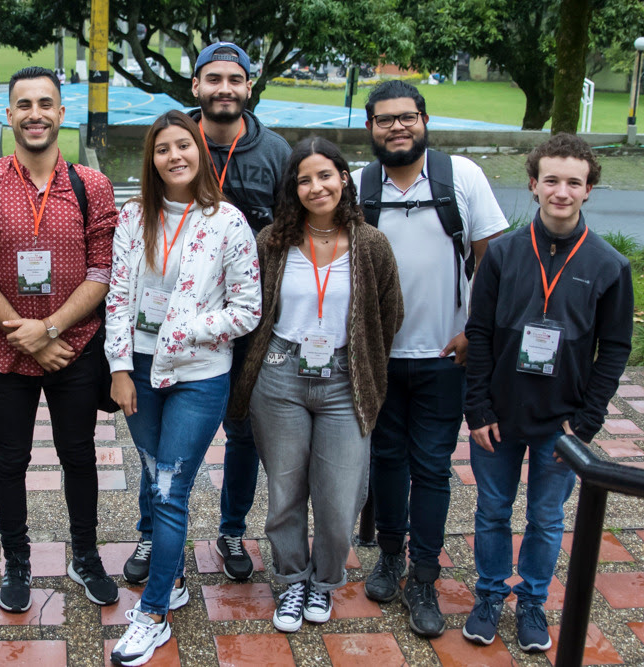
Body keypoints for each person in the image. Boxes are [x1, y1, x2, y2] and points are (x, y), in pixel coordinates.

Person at [123, 41, 290, 586]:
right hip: (163, 335)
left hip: (244, 326)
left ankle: (231, 530)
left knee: (242, 436)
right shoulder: (176, 145)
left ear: (248, 87)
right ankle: (154, 536)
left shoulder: (276, 154)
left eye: (235, 79)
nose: (225, 88)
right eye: (213, 79)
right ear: (195, 87)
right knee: (160, 457)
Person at [0, 66, 119, 613]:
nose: (35, 115)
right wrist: (23, 336)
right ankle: (17, 561)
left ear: (61, 113)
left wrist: (48, 330)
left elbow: (103, 269)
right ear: (8, 115)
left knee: (79, 455)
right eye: (23, 105)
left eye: (45, 103)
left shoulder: (90, 185)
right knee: (9, 459)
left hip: (74, 348)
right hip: (6, 353)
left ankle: (85, 555)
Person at [462, 134, 632, 652]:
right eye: (551, 180)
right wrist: (478, 408)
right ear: (534, 185)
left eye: (573, 182)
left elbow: (616, 348)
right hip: (499, 415)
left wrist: (585, 423)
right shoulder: (505, 254)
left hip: (562, 423)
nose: (562, 191)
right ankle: (490, 593)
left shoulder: (609, 265)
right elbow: (480, 333)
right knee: (492, 510)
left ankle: (532, 599)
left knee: (546, 517)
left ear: (589, 190)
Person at [351, 80, 509, 638]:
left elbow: (491, 260)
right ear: (370, 126)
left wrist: (474, 331)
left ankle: (424, 574)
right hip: (381, 358)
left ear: (424, 120)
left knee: (433, 466)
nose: (397, 127)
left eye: (407, 117)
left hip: (447, 355)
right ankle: (389, 555)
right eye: (385, 119)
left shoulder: (459, 175)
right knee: (386, 460)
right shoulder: (357, 185)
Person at [107, 110, 261, 666]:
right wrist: (119, 368)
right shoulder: (132, 217)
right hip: (141, 375)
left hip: (199, 377)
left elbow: (247, 310)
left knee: (170, 492)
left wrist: (186, 327)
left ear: (200, 152)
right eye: (162, 148)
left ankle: (153, 615)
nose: (175, 156)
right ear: (151, 159)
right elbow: (118, 297)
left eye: (184, 146)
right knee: (153, 481)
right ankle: (169, 581)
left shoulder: (228, 222)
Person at [230, 137, 402, 633]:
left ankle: (323, 582)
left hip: (345, 378)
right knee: (285, 489)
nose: (316, 186)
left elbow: (389, 314)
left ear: (344, 178)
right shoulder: (272, 242)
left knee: (339, 492)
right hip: (280, 374)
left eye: (325, 175)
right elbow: (252, 310)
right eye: (304, 179)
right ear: (293, 188)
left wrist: (363, 359)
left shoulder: (371, 245)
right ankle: (290, 581)